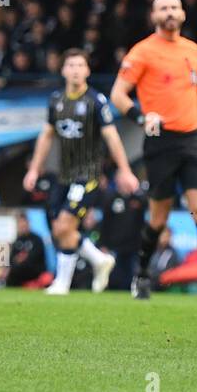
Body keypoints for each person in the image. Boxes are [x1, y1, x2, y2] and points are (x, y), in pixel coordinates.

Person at [110, 0, 197, 302]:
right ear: (154, 16)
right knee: (158, 218)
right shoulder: (141, 52)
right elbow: (118, 95)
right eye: (163, 8)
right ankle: (140, 276)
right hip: (160, 140)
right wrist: (141, 116)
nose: (169, 12)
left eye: (174, 7)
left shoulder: (193, 51)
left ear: (182, 14)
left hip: (192, 139)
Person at [23, 49, 139, 295]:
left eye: (80, 65)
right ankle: (98, 260)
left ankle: (63, 283)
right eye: (71, 65)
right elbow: (45, 136)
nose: (75, 69)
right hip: (62, 176)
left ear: (87, 70)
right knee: (59, 230)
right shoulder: (56, 100)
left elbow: (112, 137)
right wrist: (34, 169)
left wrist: (125, 170)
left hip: (87, 176)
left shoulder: (96, 101)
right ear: (63, 70)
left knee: (64, 226)